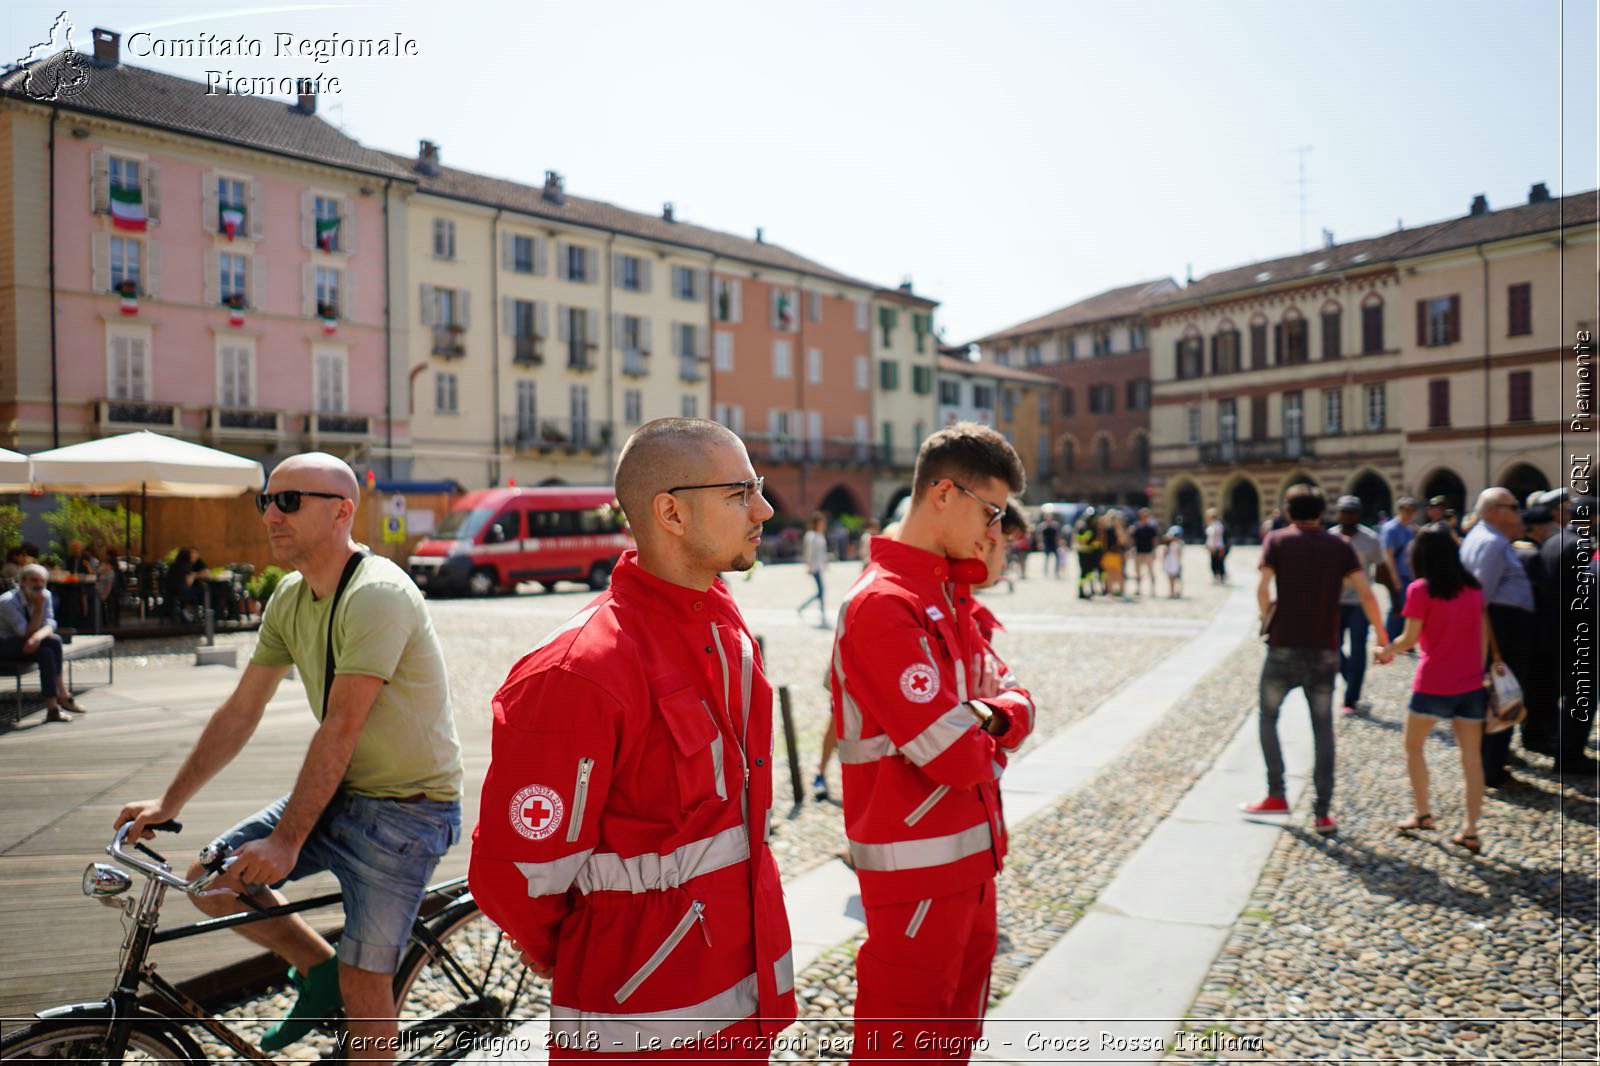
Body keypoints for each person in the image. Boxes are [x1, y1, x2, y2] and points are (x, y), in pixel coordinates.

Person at [117, 452, 463, 1059]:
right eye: (266, 501)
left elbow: (341, 727)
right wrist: (167, 803)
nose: (271, 515)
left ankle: (345, 985)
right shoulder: (289, 596)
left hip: (410, 810)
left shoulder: (378, 594)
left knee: (366, 982)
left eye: (290, 501)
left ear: (342, 513)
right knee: (211, 883)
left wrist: (285, 841)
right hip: (345, 793)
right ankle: (317, 968)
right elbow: (241, 709)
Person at [470, 419, 795, 1060]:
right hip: (638, 1020)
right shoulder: (578, 671)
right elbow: (517, 876)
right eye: (739, 493)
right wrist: (599, 948)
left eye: (756, 487)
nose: (763, 507)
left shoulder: (723, 629)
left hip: (744, 998)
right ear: (670, 512)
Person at [829, 422, 1034, 1062]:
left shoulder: (942, 594)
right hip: (915, 874)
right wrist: (994, 721)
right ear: (944, 493)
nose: (996, 531)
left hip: (970, 866)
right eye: (991, 511)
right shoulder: (885, 604)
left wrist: (991, 716)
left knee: (955, 1043)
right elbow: (954, 756)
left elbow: (1014, 700)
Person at [1244, 484, 1389, 835]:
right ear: (1322, 512)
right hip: (1324, 649)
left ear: (1289, 512)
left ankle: (1276, 794)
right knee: (1322, 727)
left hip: (1283, 646)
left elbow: (1263, 589)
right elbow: (1367, 593)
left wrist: (1267, 617)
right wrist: (1383, 639)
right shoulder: (1339, 546)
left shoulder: (1277, 541)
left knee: (1268, 717)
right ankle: (1322, 813)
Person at [1374, 523, 1489, 853]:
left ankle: (1423, 812)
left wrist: (1384, 652)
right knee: (1472, 759)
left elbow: (1408, 639)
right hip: (1470, 686)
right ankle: (1470, 829)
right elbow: (1481, 638)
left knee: (1413, 747)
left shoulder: (1420, 590)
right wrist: (1478, 675)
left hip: (1433, 684)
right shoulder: (1474, 588)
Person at [1459, 487, 1535, 789]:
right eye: (1513, 506)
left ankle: (1491, 761)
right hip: (1502, 630)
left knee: (1499, 696)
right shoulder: (1490, 542)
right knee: (1503, 696)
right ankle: (1492, 768)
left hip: (1503, 627)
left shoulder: (1488, 538)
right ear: (1494, 511)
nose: (1518, 512)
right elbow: (1480, 597)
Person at [1539, 493, 1596, 772]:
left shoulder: (1553, 539)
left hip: (1551, 627)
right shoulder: (1579, 546)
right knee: (1580, 694)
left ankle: (1558, 746)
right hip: (1574, 630)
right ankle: (1569, 756)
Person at [0, 562, 83, 722]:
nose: (38, 585)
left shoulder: (45, 595)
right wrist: (38, 608)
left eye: (41, 581)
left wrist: (36, 638)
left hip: (30, 642)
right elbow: (23, 632)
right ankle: (61, 698)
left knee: (51, 645)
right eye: (34, 580)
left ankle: (54, 705)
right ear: (23, 581)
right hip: (5, 644)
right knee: (49, 647)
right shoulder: (7, 602)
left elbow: (50, 624)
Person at [1332, 495, 1391, 715]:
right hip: (1335, 602)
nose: (1348, 516)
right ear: (1338, 513)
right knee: (1333, 647)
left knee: (1358, 649)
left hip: (1359, 603)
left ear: (1358, 514)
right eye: (1344, 511)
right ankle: (1350, 675)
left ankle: (1351, 697)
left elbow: (1382, 569)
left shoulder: (1371, 539)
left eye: (1352, 512)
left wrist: (1395, 597)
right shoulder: (1331, 538)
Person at [1379, 498, 1419, 641]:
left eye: (1411, 511)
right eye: (1406, 510)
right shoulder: (1390, 528)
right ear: (1399, 510)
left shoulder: (1410, 529)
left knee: (1408, 607)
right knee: (1397, 605)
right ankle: (1389, 638)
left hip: (1408, 574)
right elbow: (1388, 554)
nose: (1408, 514)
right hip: (1396, 573)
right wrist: (1394, 576)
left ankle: (1403, 638)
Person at [797, 511, 830, 626]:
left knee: (821, 591)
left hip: (819, 566)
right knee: (821, 591)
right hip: (814, 567)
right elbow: (809, 552)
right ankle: (819, 612)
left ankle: (805, 608)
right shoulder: (811, 536)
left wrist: (825, 564)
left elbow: (822, 552)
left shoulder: (820, 535)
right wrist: (809, 565)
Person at [1131, 508, 1159, 596]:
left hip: (1148, 552)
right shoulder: (1136, 527)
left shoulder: (1151, 528)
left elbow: (1154, 540)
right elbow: (1133, 540)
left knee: (1151, 571)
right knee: (1138, 572)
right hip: (1139, 552)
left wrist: (1154, 551)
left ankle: (1153, 589)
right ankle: (1138, 588)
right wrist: (1132, 549)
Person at [1073, 511, 1100, 599]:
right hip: (1084, 553)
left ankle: (1090, 589)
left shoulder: (1093, 528)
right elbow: (1080, 540)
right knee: (1083, 573)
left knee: (1090, 572)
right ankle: (1081, 590)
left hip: (1091, 553)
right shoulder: (1083, 528)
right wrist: (1087, 537)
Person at [1162, 524, 1184, 599]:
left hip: (1175, 563)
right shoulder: (1167, 545)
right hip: (1170, 563)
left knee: (1177, 578)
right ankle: (1172, 591)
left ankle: (1176, 591)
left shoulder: (1178, 544)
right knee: (1170, 578)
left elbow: (1180, 554)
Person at [1205, 508, 1227, 583]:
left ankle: (1220, 577)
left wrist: (1212, 547)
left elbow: (1215, 537)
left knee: (1218, 562)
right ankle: (1217, 577)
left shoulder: (1217, 525)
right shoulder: (1212, 525)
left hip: (1217, 547)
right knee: (1214, 562)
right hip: (1214, 547)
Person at [1037, 510, 1061, 579]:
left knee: (1057, 558)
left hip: (1054, 543)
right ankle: (1046, 571)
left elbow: (1058, 534)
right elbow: (1039, 535)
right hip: (1046, 543)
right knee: (1047, 558)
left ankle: (1056, 571)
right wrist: (1040, 543)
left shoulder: (1055, 525)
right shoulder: (1042, 526)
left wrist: (1059, 542)